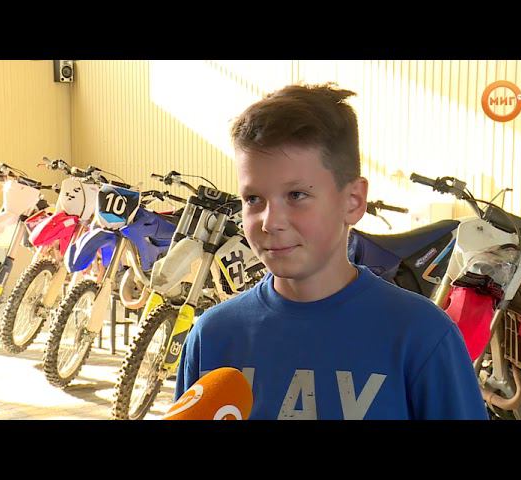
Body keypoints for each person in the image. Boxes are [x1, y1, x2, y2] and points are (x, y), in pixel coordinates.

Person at [174, 83, 488, 420]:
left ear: (353, 201)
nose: (270, 222)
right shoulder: (213, 338)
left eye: (296, 195)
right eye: (253, 199)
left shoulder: (421, 336)